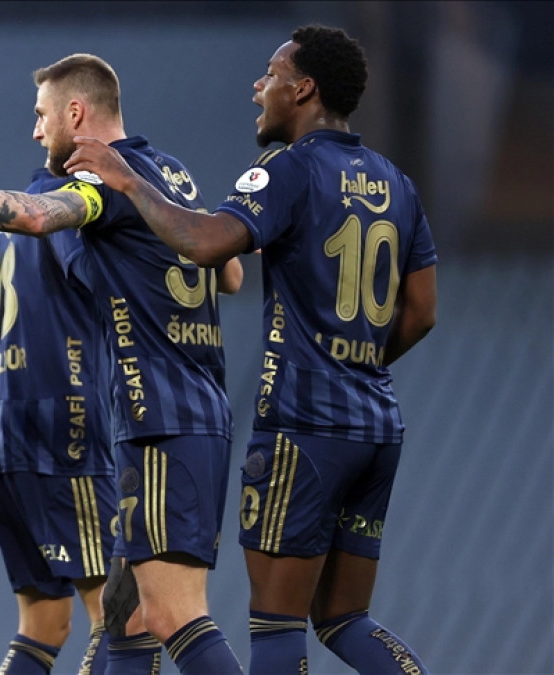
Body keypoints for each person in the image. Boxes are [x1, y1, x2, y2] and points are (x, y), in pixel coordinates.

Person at [65, 24, 437, 675]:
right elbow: (423, 311)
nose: (258, 86)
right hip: (377, 426)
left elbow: (206, 244)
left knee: (276, 627)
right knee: (345, 618)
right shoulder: (397, 183)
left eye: (272, 74)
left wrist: (127, 181)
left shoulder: (289, 169)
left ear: (304, 89)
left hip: (303, 426)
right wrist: (358, 365)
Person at [0, 52, 243, 675]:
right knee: (124, 618)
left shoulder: (101, 179)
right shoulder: (173, 176)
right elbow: (229, 274)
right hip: (170, 413)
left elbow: (38, 216)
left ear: (76, 112)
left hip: (157, 416)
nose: (36, 130)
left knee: (172, 615)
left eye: (42, 115)